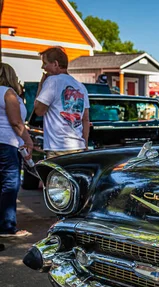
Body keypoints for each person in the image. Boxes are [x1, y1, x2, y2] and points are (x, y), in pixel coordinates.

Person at [33, 46, 89, 158]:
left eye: (45, 63)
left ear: (55, 64)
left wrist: (40, 86)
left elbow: (39, 111)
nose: (42, 67)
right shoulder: (80, 86)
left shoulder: (52, 81)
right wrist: (85, 144)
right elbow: (85, 119)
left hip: (57, 148)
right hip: (78, 146)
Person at [0, 63, 34, 238]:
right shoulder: (8, 93)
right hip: (7, 142)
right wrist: (28, 140)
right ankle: (6, 226)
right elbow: (16, 122)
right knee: (10, 183)